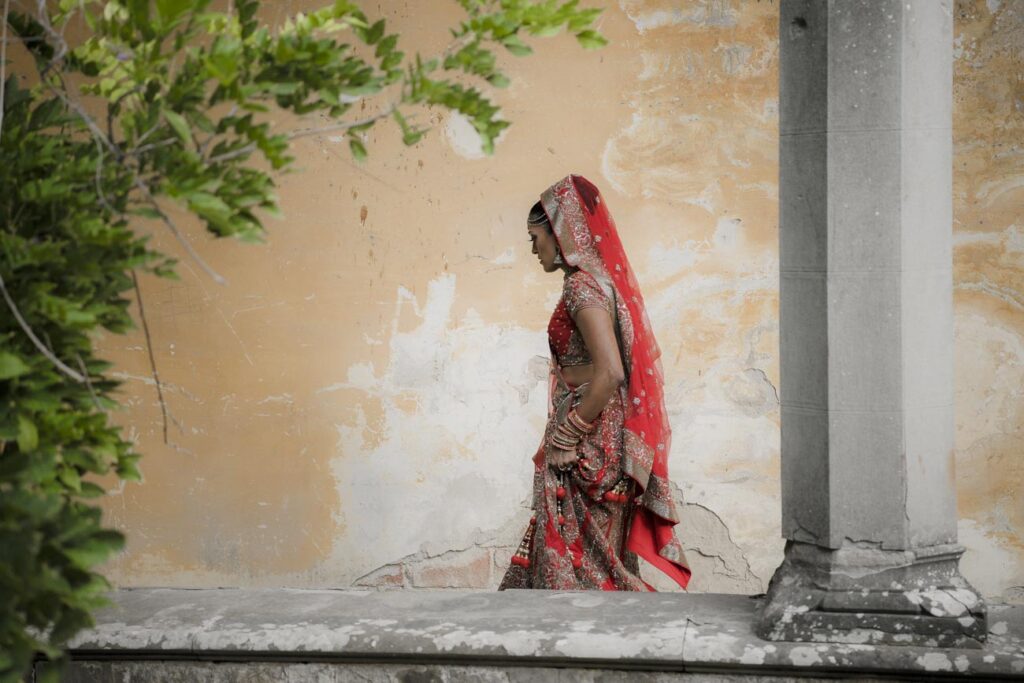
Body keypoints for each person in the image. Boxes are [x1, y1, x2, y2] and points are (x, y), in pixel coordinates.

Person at [498, 174, 691, 591]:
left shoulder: (582, 287)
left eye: (536, 238)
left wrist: (568, 435)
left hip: (589, 438)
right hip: (600, 429)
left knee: (588, 565)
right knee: (597, 559)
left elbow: (611, 372)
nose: (534, 250)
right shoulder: (594, 282)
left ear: (560, 232)